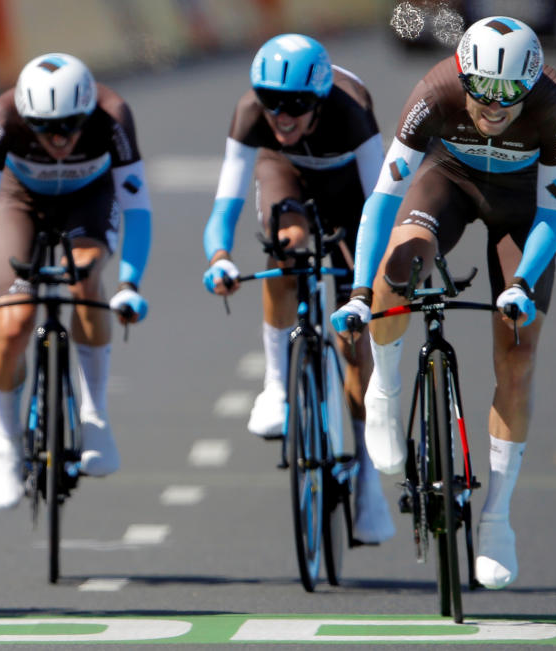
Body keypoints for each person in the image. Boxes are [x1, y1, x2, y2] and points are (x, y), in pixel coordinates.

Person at [331, 16, 556, 589]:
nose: (494, 106)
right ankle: (386, 391)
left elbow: (553, 213)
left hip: (521, 207)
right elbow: (383, 200)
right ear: (463, 77)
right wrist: (362, 294)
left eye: (509, 94)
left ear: (530, 84)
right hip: (449, 182)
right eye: (482, 91)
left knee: (517, 348)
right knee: (399, 266)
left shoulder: (554, 105)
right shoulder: (435, 92)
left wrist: (521, 284)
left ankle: (496, 519)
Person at [201, 33, 395, 544]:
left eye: (295, 105)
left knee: (356, 343)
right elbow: (227, 202)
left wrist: (361, 289)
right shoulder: (251, 114)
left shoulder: (351, 111)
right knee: (285, 252)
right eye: (270, 101)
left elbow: (379, 203)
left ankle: (367, 481)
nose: (280, 116)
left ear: (320, 96)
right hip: (285, 176)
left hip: (352, 195)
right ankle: (276, 384)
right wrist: (219, 257)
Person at [0, 53, 151, 510]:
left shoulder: (113, 116)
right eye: (45, 128)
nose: (59, 138)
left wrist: (130, 283)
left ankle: (95, 414)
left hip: (89, 201)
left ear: (87, 113)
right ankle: (6, 439)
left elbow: (137, 208)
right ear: (26, 117)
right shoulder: (2, 116)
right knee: (13, 320)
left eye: (69, 125)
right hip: (19, 202)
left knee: (84, 278)